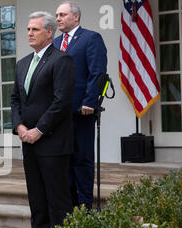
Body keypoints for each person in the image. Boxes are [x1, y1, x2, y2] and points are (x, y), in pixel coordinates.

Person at [11, 11, 75, 228]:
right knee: (36, 197)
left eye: (35, 29)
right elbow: (15, 99)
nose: (29, 33)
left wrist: (39, 129)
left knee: (57, 198)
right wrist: (19, 126)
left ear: (50, 32)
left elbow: (62, 102)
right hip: (29, 142)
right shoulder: (22, 63)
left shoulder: (62, 60)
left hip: (52, 142)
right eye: (28, 29)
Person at [53, 1, 108, 211]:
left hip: (81, 111)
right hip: (59, 114)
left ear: (75, 17)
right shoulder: (55, 43)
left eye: (63, 15)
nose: (58, 18)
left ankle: (85, 205)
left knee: (82, 159)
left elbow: (97, 72)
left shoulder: (90, 38)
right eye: (57, 15)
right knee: (65, 160)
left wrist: (89, 101)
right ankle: (70, 205)